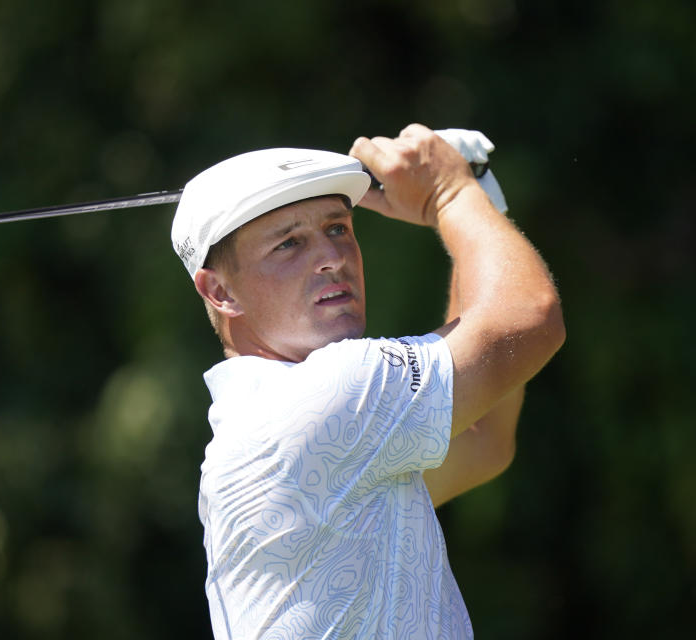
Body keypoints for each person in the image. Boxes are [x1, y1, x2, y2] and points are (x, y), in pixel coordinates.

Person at [170, 124, 565, 639]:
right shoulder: (327, 395)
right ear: (220, 291)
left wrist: (472, 201)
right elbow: (529, 319)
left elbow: (481, 437)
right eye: (288, 243)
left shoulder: (313, 434)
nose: (331, 257)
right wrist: (450, 193)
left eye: (337, 228)